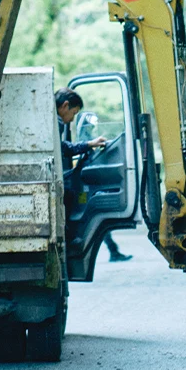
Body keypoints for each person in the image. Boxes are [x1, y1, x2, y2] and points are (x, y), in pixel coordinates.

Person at [55, 89, 131, 262]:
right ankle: (66, 237)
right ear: (65, 106)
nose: (73, 119)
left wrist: (88, 144)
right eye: (73, 113)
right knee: (68, 195)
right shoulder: (56, 122)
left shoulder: (49, 117)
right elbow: (62, 148)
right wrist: (87, 144)